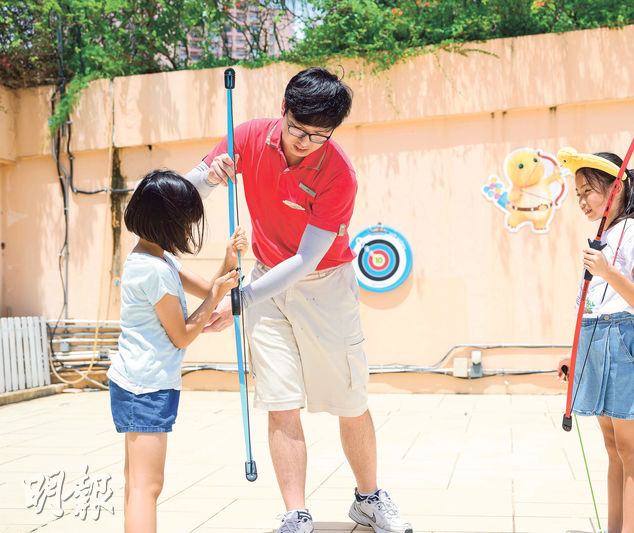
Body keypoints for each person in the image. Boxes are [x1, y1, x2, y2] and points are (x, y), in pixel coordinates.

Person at [185, 67, 412, 533]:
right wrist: (210, 176)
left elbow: (308, 259)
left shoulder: (339, 174)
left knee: (349, 399)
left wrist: (239, 301)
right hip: (266, 279)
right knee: (280, 400)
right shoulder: (248, 136)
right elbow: (188, 190)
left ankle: (368, 499)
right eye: (297, 129)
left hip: (323, 283)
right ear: (283, 110)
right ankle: (296, 512)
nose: (305, 142)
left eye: (319, 135)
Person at [107, 169, 248, 533]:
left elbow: (208, 289)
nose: (188, 231)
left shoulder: (159, 257)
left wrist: (228, 261)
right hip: (145, 388)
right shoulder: (151, 269)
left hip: (142, 383)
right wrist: (217, 295)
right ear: (165, 222)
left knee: (137, 483)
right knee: (147, 486)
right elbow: (182, 335)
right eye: (185, 223)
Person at [557, 151, 634, 533]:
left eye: (589, 191)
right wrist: (574, 353)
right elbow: (593, 299)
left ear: (615, 188)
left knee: (631, 450)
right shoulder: (602, 235)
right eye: (578, 193)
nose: (582, 200)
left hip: (622, 339)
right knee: (612, 449)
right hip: (593, 338)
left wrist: (607, 270)